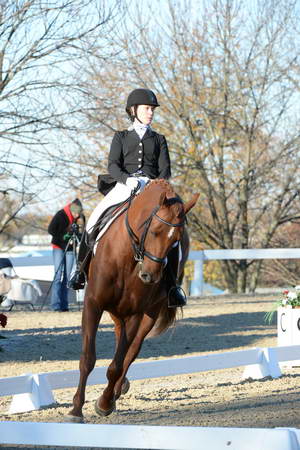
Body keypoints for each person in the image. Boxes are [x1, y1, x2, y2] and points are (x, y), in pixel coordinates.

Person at [69, 88, 186, 307]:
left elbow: (165, 169)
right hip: (125, 185)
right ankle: (81, 272)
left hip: (151, 189)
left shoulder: (159, 139)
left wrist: (155, 185)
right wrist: (126, 179)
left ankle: (172, 287)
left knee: (172, 230)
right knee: (94, 219)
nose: (151, 113)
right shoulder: (121, 136)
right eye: (147, 108)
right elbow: (113, 165)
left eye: (152, 109)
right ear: (134, 110)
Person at [48, 198, 85, 311]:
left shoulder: (80, 218)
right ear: (71, 210)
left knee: (68, 277)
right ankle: (55, 305)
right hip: (58, 247)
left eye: (79, 213)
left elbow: (82, 233)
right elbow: (51, 230)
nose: (77, 215)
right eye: (75, 213)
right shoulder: (61, 215)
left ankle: (64, 305)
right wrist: (65, 235)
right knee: (58, 275)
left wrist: (77, 236)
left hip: (70, 248)